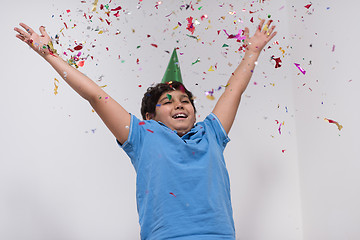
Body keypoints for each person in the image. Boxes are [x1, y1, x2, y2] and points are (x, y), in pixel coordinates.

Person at [14, 19, 277, 240]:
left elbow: (235, 90)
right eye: (168, 101)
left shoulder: (211, 133)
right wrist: (49, 55)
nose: (180, 104)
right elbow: (95, 96)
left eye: (185, 101)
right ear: (150, 116)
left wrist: (252, 51)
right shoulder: (142, 135)